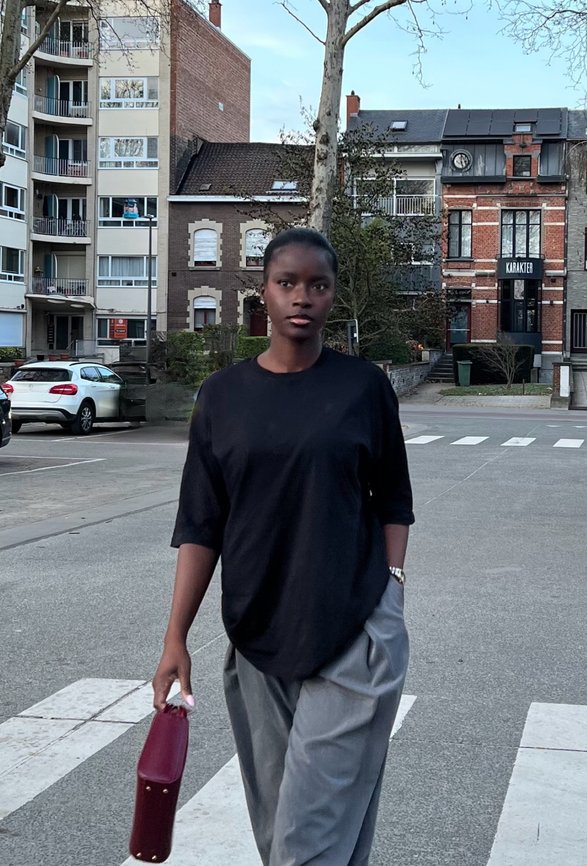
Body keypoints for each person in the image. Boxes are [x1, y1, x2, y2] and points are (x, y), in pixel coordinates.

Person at [152, 227, 414, 865]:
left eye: (317, 285)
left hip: (352, 632)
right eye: (287, 283)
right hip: (257, 637)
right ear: (262, 292)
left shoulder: (363, 388)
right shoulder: (222, 396)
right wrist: (175, 637)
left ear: (332, 296)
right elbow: (201, 525)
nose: (303, 297)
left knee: (306, 843)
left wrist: (391, 594)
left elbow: (395, 502)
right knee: (286, 839)